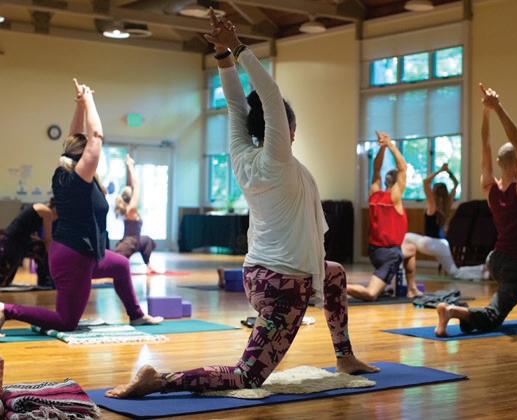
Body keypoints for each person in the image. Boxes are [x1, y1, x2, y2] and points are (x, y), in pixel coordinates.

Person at [106, 10, 377, 399]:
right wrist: (238, 46)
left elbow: (237, 105)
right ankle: (160, 380)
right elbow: (268, 94)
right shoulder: (276, 159)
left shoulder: (242, 154)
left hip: (260, 275)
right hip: (285, 286)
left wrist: (222, 56)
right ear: (287, 130)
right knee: (247, 377)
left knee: (333, 273)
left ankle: (345, 356)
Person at [0, 79, 162, 335]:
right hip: (73, 258)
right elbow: (96, 136)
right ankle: (7, 310)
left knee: (120, 265)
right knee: (66, 321)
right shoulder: (78, 178)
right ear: (83, 156)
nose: (93, 152)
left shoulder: (64, 171)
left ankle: (137, 316)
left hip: (85, 254)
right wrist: (89, 100)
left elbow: (73, 139)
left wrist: (79, 105)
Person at [435, 84, 517, 337]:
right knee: (493, 317)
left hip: (496, 260)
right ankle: (451, 311)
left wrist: (486, 113)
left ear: (499, 163)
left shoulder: (489, 188)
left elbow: (486, 146)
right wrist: (497, 107)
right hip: (516, 266)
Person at [346, 132, 420, 302]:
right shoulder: (395, 198)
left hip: (374, 252)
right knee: (371, 294)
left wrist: (383, 148)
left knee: (410, 249)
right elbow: (403, 167)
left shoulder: (374, 194)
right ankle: (337, 286)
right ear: (397, 183)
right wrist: (390, 144)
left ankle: (412, 289)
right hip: (389, 255)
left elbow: (376, 168)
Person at [403, 164, 486, 280]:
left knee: (405, 237)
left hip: (430, 243)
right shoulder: (447, 204)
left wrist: (440, 171)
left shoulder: (432, 206)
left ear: (434, 193)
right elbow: (456, 183)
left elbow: (425, 182)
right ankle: (482, 270)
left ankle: (401, 270)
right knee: (455, 272)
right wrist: (449, 172)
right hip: (442, 245)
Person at [114, 155, 157, 274]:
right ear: (131, 198)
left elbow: (132, 185)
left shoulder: (130, 209)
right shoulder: (131, 209)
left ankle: (148, 265)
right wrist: (130, 166)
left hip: (137, 241)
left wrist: (129, 169)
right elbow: (136, 185)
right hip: (129, 242)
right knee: (116, 264)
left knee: (147, 240)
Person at [0, 201, 57, 288]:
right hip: (14, 243)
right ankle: (46, 281)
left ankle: (44, 281)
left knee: (40, 248)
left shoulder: (39, 207)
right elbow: (48, 239)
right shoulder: (47, 212)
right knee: (3, 280)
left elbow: (26, 228)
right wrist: (50, 256)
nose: (56, 219)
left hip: (15, 240)